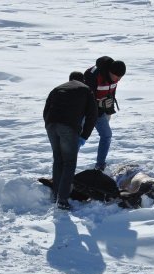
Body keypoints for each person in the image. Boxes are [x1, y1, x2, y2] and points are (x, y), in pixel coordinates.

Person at [43, 71, 98, 210]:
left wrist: (50, 126)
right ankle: (62, 200)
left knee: (58, 159)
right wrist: (84, 136)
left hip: (51, 125)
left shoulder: (57, 88)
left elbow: (46, 110)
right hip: (68, 127)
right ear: (83, 80)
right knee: (69, 162)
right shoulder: (86, 90)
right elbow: (92, 115)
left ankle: (56, 194)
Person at [84, 56, 126, 171]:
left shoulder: (115, 78)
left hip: (101, 112)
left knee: (107, 135)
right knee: (79, 138)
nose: (118, 80)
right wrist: (99, 103)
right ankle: (68, 163)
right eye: (116, 76)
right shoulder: (93, 75)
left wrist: (109, 110)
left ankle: (100, 165)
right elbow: (85, 97)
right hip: (85, 112)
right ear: (109, 72)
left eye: (120, 77)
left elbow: (111, 94)